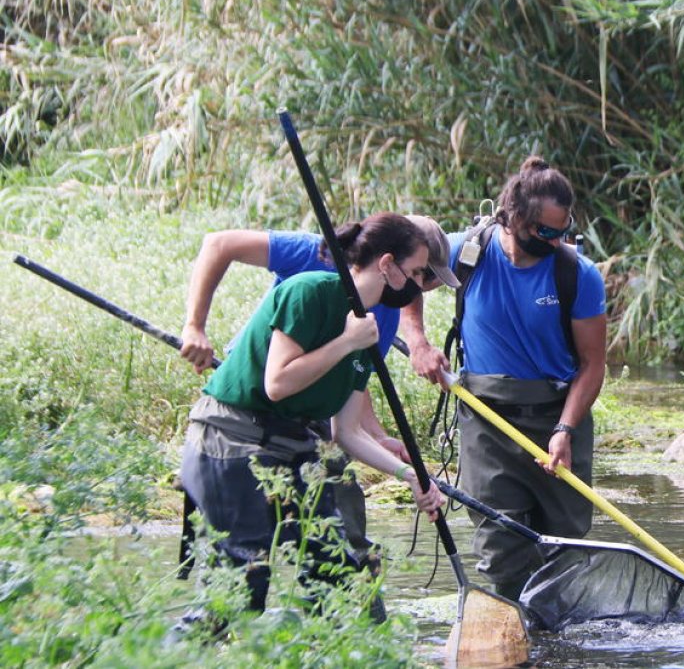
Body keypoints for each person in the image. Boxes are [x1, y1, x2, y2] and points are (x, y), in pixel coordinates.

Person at [178, 212, 445, 624]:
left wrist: (410, 476)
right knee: (242, 581)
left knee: (337, 573)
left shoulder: (373, 328)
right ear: (388, 265)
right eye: (415, 273)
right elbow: (278, 383)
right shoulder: (311, 291)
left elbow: (347, 432)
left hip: (294, 444)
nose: (416, 287)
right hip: (229, 440)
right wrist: (346, 342)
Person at [405, 156, 607, 601]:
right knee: (501, 550)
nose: (557, 240)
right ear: (513, 218)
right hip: (487, 422)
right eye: (547, 232)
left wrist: (565, 430)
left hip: (557, 420)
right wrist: (418, 343)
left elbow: (593, 364)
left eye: (564, 229)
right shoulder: (467, 252)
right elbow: (406, 279)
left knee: (565, 552)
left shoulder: (577, 274)